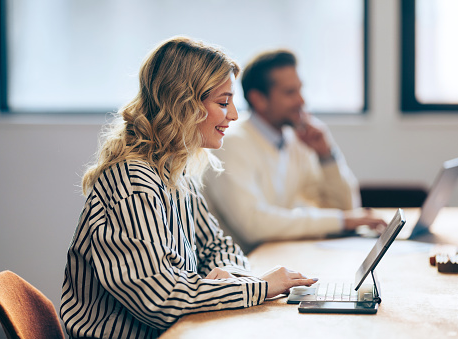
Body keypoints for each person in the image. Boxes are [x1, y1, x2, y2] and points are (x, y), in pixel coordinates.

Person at [60, 38, 317, 339]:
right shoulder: (133, 183)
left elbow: (217, 246)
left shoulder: (176, 172)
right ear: (184, 105)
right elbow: (161, 299)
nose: (233, 115)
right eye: (223, 103)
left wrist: (228, 274)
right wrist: (258, 286)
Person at [205, 49, 386, 252]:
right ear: (258, 99)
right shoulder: (229, 143)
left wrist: (327, 155)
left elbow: (346, 209)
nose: (302, 101)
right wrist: (342, 220)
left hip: (281, 257)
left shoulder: (296, 139)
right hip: (244, 271)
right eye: (290, 92)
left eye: (300, 90)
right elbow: (254, 224)